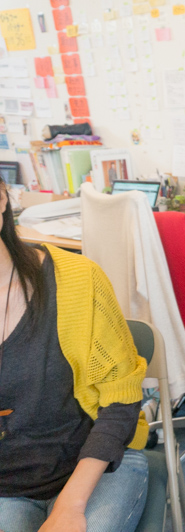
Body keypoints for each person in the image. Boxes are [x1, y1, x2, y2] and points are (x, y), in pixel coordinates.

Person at [0, 176, 149, 531]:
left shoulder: (79, 281)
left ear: (1, 198)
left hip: (94, 464)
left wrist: (71, 505)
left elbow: (121, 400)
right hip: (9, 486)